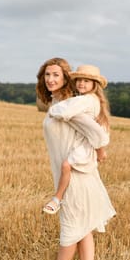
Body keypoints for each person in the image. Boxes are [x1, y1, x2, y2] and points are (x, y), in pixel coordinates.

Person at [27, 58, 116, 260]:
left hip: (75, 174)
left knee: (71, 224)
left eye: (56, 75)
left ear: (66, 78)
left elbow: (97, 133)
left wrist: (100, 150)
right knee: (83, 226)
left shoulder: (69, 106)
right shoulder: (60, 103)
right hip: (70, 172)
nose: (50, 79)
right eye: (47, 75)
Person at [42, 64, 111, 215]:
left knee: (66, 166)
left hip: (84, 146)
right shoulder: (90, 99)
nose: (81, 83)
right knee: (67, 166)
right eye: (79, 80)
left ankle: (57, 198)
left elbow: (66, 110)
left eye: (86, 81)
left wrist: (53, 110)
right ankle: (57, 198)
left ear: (94, 84)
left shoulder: (87, 100)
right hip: (85, 144)